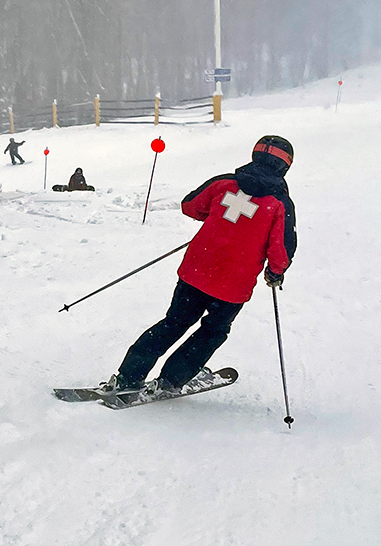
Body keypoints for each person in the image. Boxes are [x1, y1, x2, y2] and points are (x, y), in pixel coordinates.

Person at [101, 135, 297, 398]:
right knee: (212, 332)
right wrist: (275, 272)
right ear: (285, 166)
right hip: (233, 286)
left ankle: (128, 376)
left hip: (196, 272)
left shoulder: (224, 183)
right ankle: (171, 379)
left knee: (173, 323)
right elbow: (281, 251)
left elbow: (190, 206)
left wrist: (218, 219)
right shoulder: (279, 204)